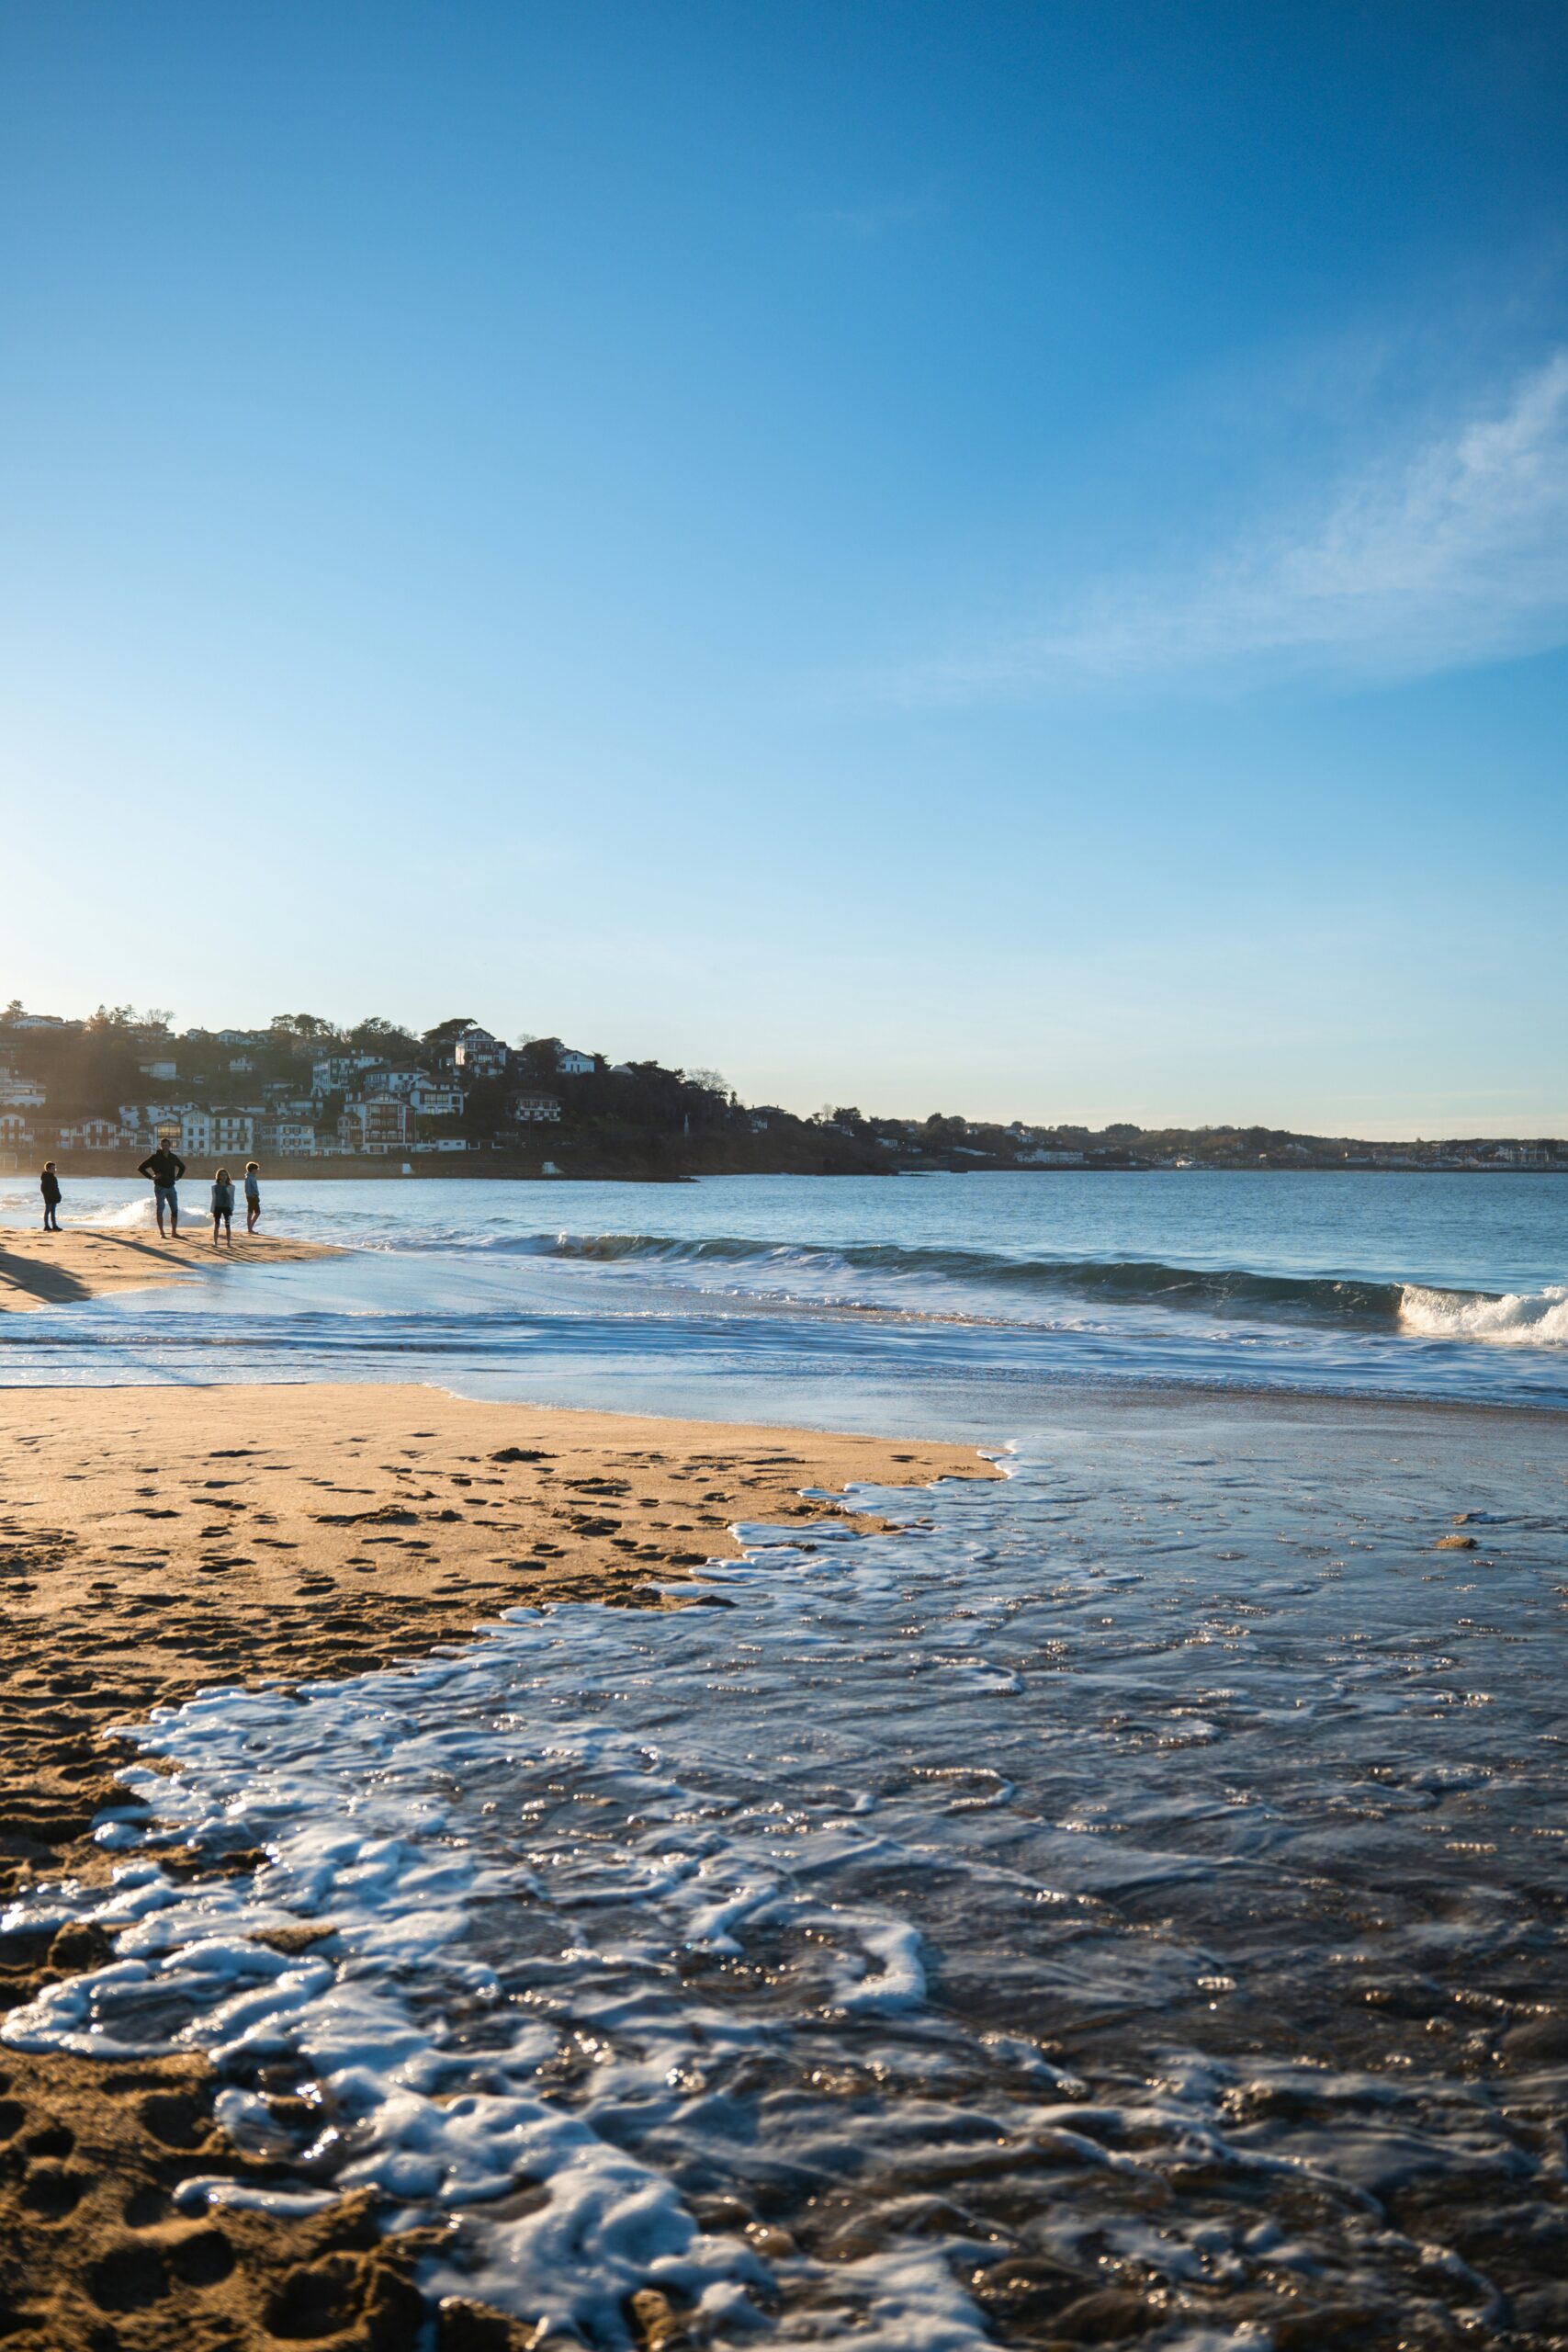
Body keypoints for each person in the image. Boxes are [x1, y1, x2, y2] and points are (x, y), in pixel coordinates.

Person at [137, 1140, 186, 1237]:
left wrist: (178, 1177)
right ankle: (162, 1232)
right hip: (160, 1187)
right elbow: (141, 1167)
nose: (165, 1147)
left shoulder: (173, 1157)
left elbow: (182, 1167)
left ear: (170, 1146)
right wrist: (151, 1177)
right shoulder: (155, 1157)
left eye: (166, 1145)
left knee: (175, 1209)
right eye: (163, 1145)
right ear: (160, 1146)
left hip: (171, 1187)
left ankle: (174, 1232)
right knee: (160, 1209)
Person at [210, 1166, 235, 1250]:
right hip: (217, 1207)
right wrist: (212, 1210)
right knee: (216, 1225)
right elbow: (214, 1199)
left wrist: (232, 1208)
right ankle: (215, 1242)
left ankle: (228, 1242)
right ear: (218, 1176)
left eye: (225, 1175)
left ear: (227, 1176)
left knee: (227, 1225)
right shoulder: (214, 1187)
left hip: (227, 1208)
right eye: (222, 1175)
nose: (224, 1176)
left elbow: (232, 1199)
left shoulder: (231, 1187)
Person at [39, 1161, 62, 1232]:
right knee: (47, 1211)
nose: (54, 1170)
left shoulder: (54, 1178)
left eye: (55, 1168)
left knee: (53, 1212)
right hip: (48, 1198)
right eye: (53, 1168)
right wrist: (47, 1196)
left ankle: (54, 1226)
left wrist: (59, 1195)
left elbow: (56, 1188)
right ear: (48, 1169)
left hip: (54, 1197)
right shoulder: (45, 1177)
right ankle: (46, 1226)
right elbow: (43, 1189)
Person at [243, 1159, 262, 1234]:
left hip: (255, 1196)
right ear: (252, 1169)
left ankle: (250, 1227)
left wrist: (257, 1196)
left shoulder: (253, 1177)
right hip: (251, 1197)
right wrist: (252, 1196)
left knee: (257, 1212)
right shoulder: (248, 1177)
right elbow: (247, 1189)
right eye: (256, 1169)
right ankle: (249, 1229)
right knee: (250, 1212)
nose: (257, 1171)